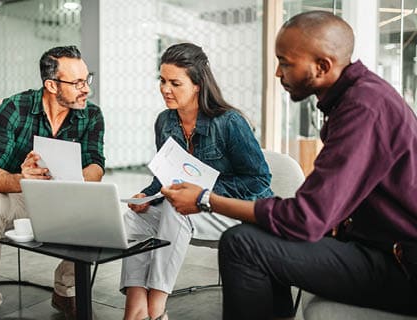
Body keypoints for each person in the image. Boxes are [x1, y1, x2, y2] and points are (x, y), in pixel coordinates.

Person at [161, 11, 417, 320]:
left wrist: (206, 200)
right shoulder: (357, 97)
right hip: (376, 247)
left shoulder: (364, 109)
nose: (278, 74)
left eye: (285, 63)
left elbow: (306, 219)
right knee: (258, 231)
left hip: (401, 267)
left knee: (242, 244)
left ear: (322, 67)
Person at [120, 42, 273, 320]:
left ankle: (156, 309)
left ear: (197, 85)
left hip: (236, 211)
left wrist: (202, 194)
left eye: (175, 83)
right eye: (162, 80)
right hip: (192, 210)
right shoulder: (164, 122)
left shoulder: (229, 122)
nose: (165, 89)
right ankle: (135, 306)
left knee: (176, 210)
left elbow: (259, 179)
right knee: (133, 219)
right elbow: (165, 173)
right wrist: (148, 193)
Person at [0, 45, 105, 320]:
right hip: (15, 195)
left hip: (62, 196)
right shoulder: (15, 107)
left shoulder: (91, 115)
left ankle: (65, 292)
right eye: (77, 82)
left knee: (93, 207)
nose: (86, 89)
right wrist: (22, 178)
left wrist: (70, 180)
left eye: (87, 79)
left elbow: (96, 166)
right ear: (52, 85)